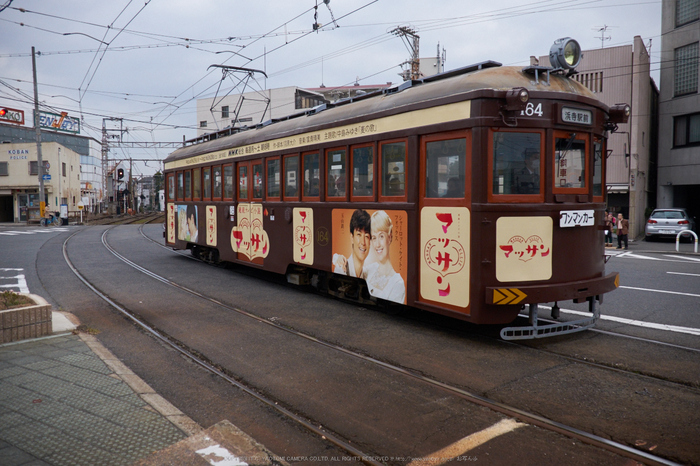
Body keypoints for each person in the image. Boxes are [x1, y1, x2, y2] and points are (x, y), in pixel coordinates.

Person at [364, 210, 406, 303]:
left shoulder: (397, 283)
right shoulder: (369, 269)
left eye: (381, 236)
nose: (377, 244)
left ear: (389, 237)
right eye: (374, 238)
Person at [332, 209, 371, 278]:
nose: (363, 242)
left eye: (366, 236)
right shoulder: (341, 269)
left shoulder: (367, 274)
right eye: (359, 234)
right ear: (352, 237)